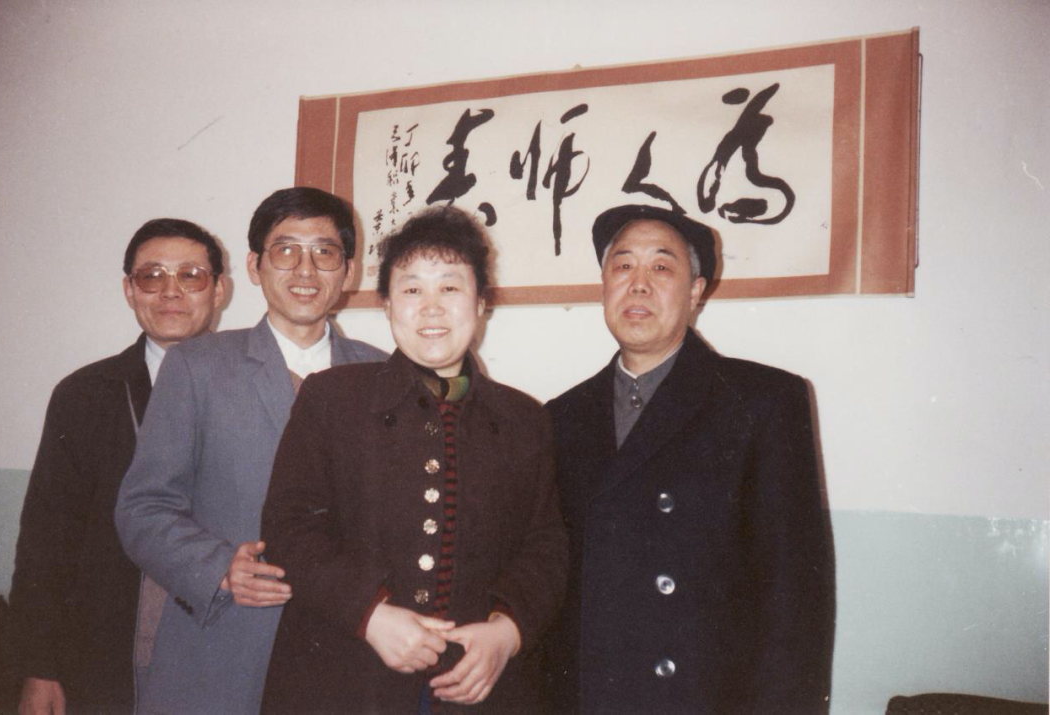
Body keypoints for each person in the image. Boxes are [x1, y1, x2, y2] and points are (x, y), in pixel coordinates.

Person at [259, 206, 568, 714]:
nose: (431, 308)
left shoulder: (523, 418)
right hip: (345, 679)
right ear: (387, 305)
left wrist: (508, 632)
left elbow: (547, 547)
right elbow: (289, 527)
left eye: (449, 288)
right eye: (411, 290)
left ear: (481, 303)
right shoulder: (331, 398)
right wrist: (370, 615)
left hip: (478, 687)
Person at [544, 204, 835, 713]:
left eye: (661, 267)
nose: (638, 284)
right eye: (623, 265)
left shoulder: (761, 401)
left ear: (696, 291)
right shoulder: (560, 417)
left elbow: (796, 604)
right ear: (604, 285)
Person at [115, 187, 387, 714]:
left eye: (324, 252)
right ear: (255, 267)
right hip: (224, 647)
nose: (305, 269)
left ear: (349, 272)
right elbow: (142, 507)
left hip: (343, 649)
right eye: (285, 250)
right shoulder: (197, 366)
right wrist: (219, 566)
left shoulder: (378, 373)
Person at [8, 218, 226, 714]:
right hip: (107, 647)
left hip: (224, 637)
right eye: (152, 276)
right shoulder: (84, 395)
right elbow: (47, 538)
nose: (170, 291)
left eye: (190, 275)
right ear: (129, 290)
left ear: (218, 290)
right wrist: (39, 666)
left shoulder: (256, 386)